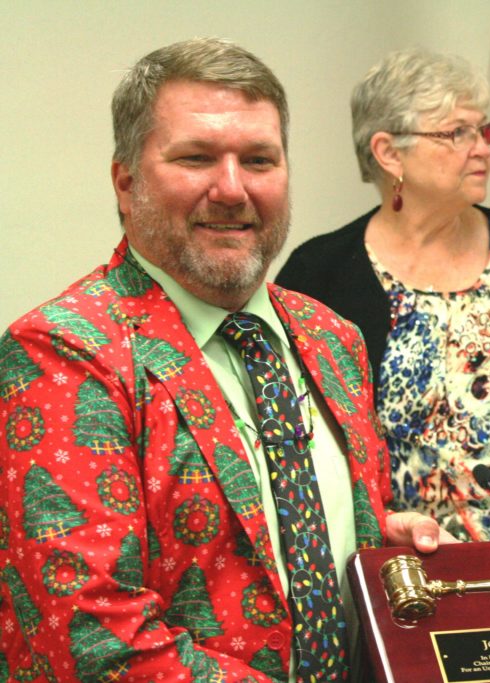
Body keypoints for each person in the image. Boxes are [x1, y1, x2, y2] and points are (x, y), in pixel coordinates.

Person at [0, 38, 449, 683]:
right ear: (126, 182)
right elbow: (92, 638)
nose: (233, 189)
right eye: (197, 158)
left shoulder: (331, 339)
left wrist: (376, 543)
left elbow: (281, 547)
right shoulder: (64, 354)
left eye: (259, 160)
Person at [277, 48, 490, 542]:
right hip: (388, 571)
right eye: (457, 133)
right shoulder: (318, 273)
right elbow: (293, 441)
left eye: (485, 131)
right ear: (389, 153)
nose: (482, 148)